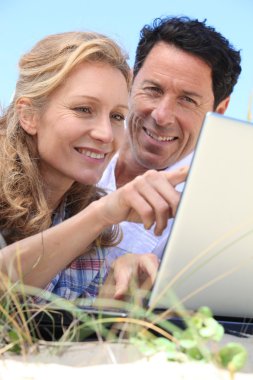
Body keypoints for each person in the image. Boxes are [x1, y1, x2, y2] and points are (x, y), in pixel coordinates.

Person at [0, 31, 187, 302]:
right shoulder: (95, 215)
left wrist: (113, 293)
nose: (106, 135)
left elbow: (63, 332)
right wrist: (101, 215)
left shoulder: (80, 213)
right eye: (83, 109)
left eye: (116, 116)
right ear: (29, 115)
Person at [98, 16, 242, 261]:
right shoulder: (80, 148)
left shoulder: (221, 216)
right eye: (153, 89)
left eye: (187, 100)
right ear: (130, 82)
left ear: (219, 111)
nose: (162, 116)